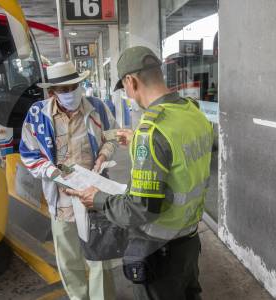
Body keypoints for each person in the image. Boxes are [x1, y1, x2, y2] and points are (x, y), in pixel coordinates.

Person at [67, 46, 214, 300]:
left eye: (124, 88)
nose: (127, 94)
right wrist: (138, 139)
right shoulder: (192, 111)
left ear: (131, 81)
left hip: (160, 251)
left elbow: (140, 208)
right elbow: (178, 152)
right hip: (189, 240)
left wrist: (98, 199)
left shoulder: (152, 132)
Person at [19, 61, 118, 300]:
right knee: (68, 256)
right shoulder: (38, 114)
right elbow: (28, 153)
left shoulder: (97, 108)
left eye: (74, 86)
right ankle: (78, 297)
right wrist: (52, 173)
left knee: (99, 254)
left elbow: (112, 137)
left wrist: (104, 155)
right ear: (52, 92)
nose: (70, 92)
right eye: (63, 89)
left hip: (94, 195)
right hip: (61, 199)